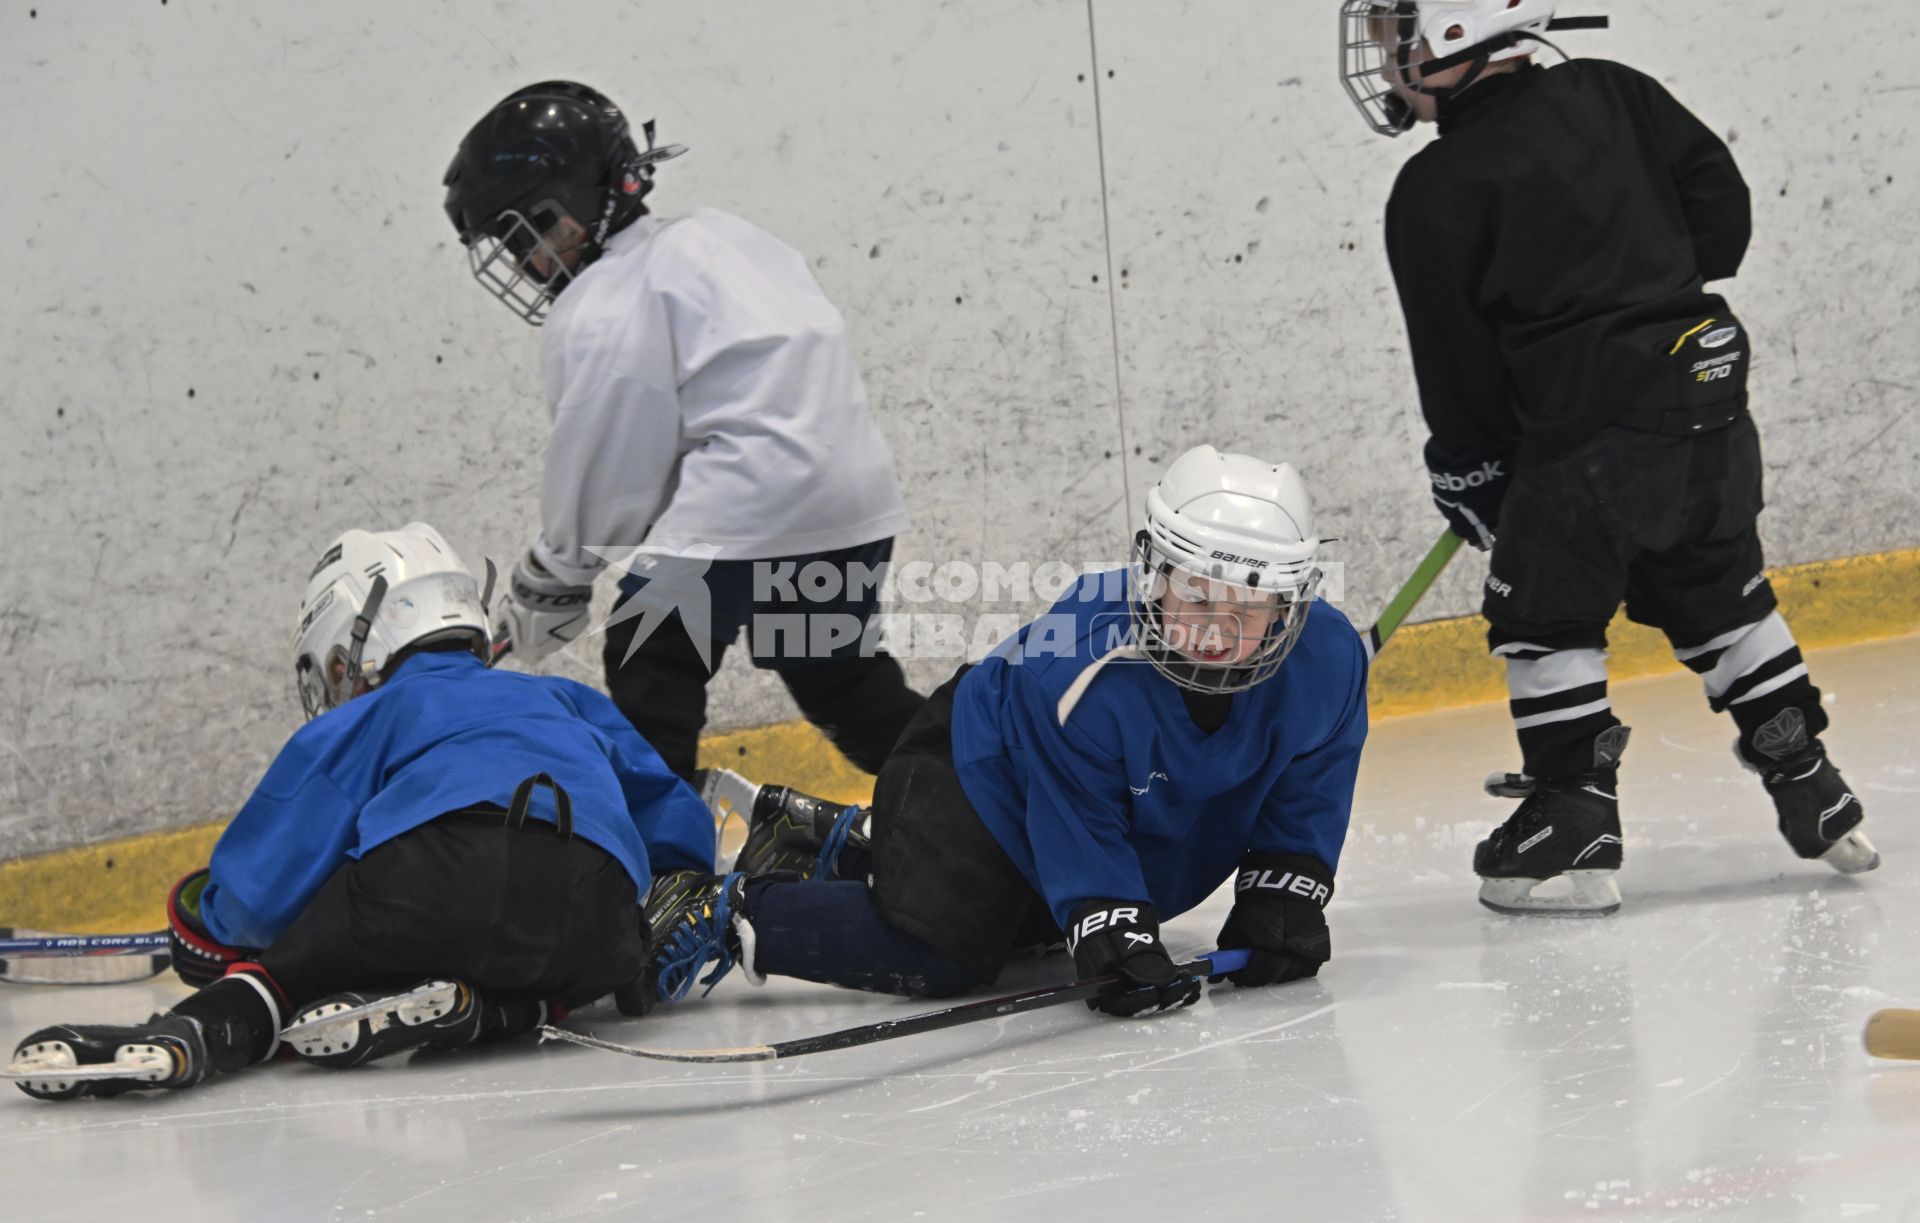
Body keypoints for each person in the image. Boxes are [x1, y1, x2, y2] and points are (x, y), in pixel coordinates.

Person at [1337, 0, 1878, 916]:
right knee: (1719, 590)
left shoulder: (1434, 189)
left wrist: (1473, 471)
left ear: (1456, 37)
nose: (1386, 56)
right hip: (1707, 398)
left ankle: (1572, 824)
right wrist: (1645, 291)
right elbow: (1722, 208)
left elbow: (1457, 364)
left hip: (1586, 441)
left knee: (1542, 611)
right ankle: (1812, 782)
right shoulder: (1618, 91)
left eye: (1399, 34)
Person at [628, 446, 1368, 1019]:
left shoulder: (1329, 663)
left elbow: (1309, 791)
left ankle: (828, 842)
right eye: (1196, 595)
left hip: (1084, 817)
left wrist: (1285, 891)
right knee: (945, 947)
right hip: (977, 771)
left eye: (1247, 607)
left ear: (1291, 605)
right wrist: (1108, 920)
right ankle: (721, 907)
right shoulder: (1082, 667)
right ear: (1154, 572)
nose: (1215, 630)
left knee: (1023, 935)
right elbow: (1077, 818)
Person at [6, 524, 714, 1100]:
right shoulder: (563, 699)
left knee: (305, 951)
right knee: (577, 958)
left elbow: (260, 892)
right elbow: (679, 824)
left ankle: (208, 1026)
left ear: (348, 652)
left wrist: (208, 923)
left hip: (434, 877)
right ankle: (508, 1008)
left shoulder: (378, 710)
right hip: (596, 904)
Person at [441, 80, 922, 784]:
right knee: (842, 682)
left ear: (566, 211)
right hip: (852, 499)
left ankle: (667, 874)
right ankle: (992, 808)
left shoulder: (602, 303)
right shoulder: (721, 236)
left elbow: (615, 466)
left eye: (523, 237)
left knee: (650, 660)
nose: (524, 264)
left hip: (753, 496)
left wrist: (556, 575)